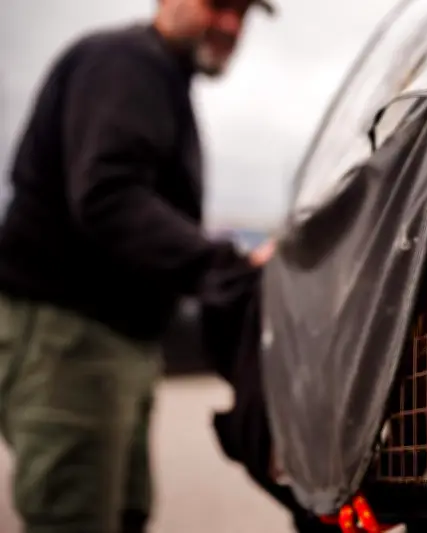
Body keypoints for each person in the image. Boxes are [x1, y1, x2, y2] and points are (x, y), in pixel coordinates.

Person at [0, 1, 277, 532]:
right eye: (218, 4)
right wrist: (228, 266)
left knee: (122, 514)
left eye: (242, 13)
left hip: (115, 340)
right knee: (73, 516)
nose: (231, 26)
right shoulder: (126, 64)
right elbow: (108, 194)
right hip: (71, 338)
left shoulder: (160, 78)